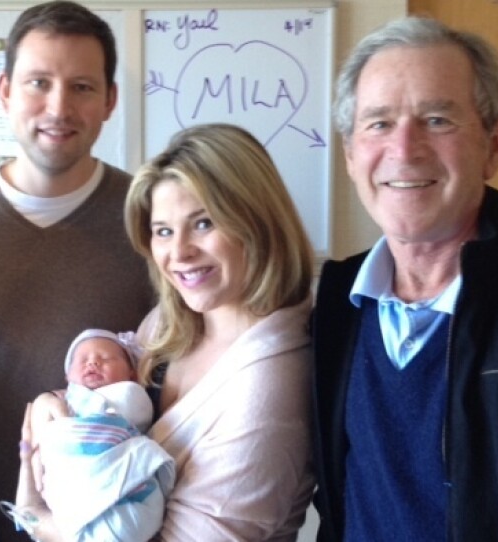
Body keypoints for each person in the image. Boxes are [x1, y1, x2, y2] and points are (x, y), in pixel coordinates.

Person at [311, 16, 498, 542]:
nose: (405, 150)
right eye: (379, 123)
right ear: (350, 154)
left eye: (437, 120)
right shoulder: (336, 302)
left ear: (495, 144)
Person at [0, 3, 153, 538]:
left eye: (82, 87)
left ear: (109, 100)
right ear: (5, 91)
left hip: (111, 528)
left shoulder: (152, 220)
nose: (58, 107)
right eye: (39, 82)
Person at [16, 122, 317, 540]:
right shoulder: (168, 325)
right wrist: (57, 400)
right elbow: (92, 405)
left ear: (257, 220)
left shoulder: (270, 385)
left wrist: (38, 518)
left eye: (204, 223)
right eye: (163, 231)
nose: (179, 253)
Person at [4, 328, 175, 542]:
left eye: (106, 358)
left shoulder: (132, 395)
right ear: (67, 377)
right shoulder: (61, 400)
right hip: (69, 487)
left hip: (125, 489)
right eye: (82, 359)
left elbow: (135, 413)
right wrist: (47, 402)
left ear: (133, 373)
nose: (92, 363)